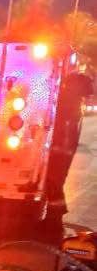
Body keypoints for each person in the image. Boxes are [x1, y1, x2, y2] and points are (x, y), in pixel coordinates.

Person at [45, 66, 94, 221]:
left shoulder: (69, 103)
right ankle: (56, 212)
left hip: (60, 150)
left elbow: (62, 127)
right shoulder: (77, 104)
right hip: (64, 150)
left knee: (53, 180)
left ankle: (54, 216)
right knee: (56, 180)